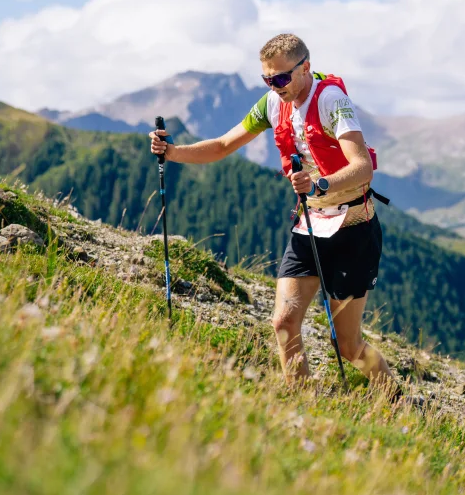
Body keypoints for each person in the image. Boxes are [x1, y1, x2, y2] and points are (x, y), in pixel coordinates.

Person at [150, 32, 395, 392]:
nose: (274, 85)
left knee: (347, 346)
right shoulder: (270, 104)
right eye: (267, 78)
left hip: (352, 226)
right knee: (283, 322)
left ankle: (397, 401)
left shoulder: (332, 101)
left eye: (280, 78)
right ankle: (303, 406)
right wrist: (172, 152)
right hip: (309, 224)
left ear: (305, 68)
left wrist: (319, 185)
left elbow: (362, 167)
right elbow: (221, 146)